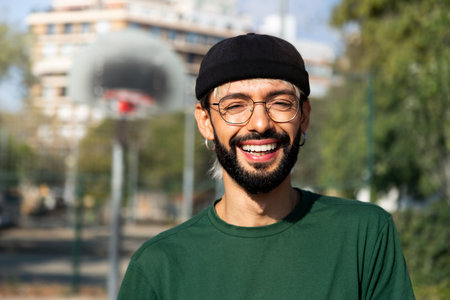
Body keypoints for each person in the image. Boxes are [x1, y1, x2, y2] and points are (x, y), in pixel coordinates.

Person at [118, 33, 414, 299]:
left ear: (305, 116)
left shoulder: (364, 235)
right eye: (235, 106)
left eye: (280, 103)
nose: (260, 124)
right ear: (206, 122)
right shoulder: (158, 265)